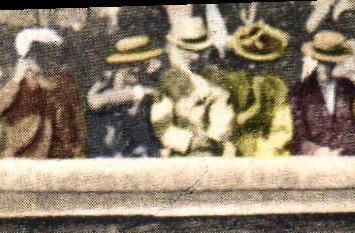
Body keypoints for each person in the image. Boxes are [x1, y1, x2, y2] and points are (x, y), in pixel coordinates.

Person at [0, 27, 86, 158]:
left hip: (59, 154)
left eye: (54, 55)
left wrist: (77, 152)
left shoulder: (64, 81)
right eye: (46, 55)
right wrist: (16, 80)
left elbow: (77, 120)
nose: (53, 61)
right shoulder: (16, 81)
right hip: (24, 154)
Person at [151, 19, 237, 157]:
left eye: (200, 50)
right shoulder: (168, 81)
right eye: (188, 50)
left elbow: (223, 117)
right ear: (178, 50)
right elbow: (162, 125)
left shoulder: (217, 79)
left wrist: (211, 140)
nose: (195, 55)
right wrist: (189, 141)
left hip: (214, 149)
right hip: (181, 151)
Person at [289, 30, 355, 154]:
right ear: (314, 60)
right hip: (317, 162)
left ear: (336, 62)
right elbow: (297, 137)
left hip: (348, 156)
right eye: (320, 62)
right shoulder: (300, 92)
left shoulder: (347, 87)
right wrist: (316, 151)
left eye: (329, 63)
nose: (325, 68)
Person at [223, 22, 295, 157]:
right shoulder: (233, 83)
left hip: (269, 148)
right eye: (252, 62)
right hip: (238, 146)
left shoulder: (277, 86)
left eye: (262, 64)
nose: (256, 68)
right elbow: (228, 122)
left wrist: (271, 147)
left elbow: (283, 124)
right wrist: (254, 109)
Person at [86, 35, 165, 158]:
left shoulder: (150, 80)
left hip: (142, 150)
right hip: (111, 152)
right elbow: (94, 101)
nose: (137, 69)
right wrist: (133, 94)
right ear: (120, 64)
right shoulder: (107, 80)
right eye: (131, 65)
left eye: (141, 63)